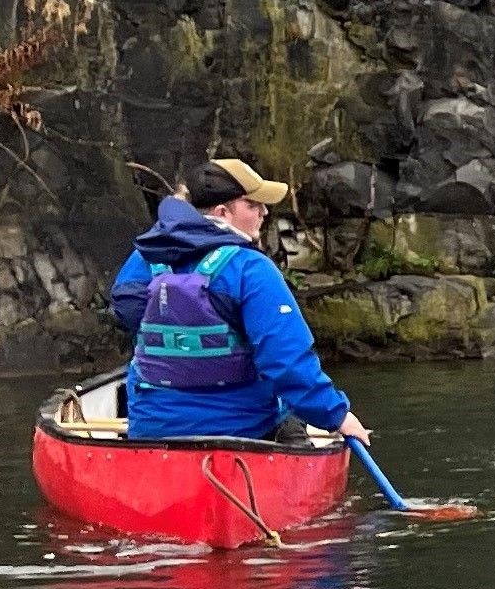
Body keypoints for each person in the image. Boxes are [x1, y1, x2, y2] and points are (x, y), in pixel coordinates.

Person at [109, 158, 368, 446]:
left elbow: (128, 312)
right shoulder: (251, 269)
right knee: (289, 416)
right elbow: (285, 361)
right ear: (222, 213)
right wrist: (337, 416)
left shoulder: (146, 257)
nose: (265, 212)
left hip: (152, 431)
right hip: (244, 434)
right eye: (252, 205)